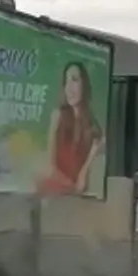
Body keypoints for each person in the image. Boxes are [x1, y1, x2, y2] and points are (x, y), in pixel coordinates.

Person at [37, 62, 103, 195]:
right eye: (66, 82)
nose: (70, 88)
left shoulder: (92, 127)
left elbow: (85, 181)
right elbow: (51, 167)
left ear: (84, 85)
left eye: (74, 80)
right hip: (54, 193)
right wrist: (73, 188)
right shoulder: (58, 117)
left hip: (77, 198)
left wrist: (85, 170)